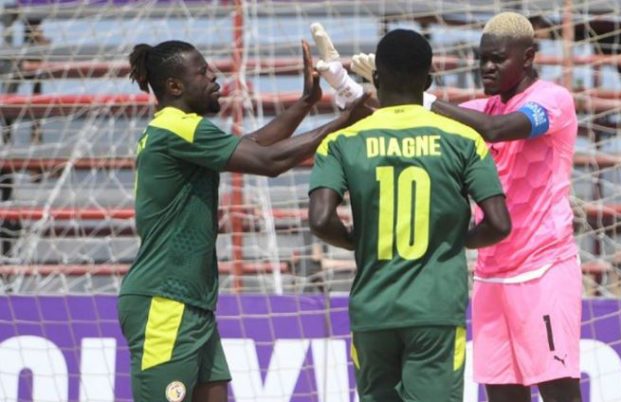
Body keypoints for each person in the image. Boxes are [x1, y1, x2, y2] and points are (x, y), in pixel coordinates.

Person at [313, 12, 582, 402]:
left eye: (498, 59)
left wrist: (418, 92)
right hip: (490, 274)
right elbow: (397, 117)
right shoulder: (478, 109)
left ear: (528, 57)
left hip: (544, 268)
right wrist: (345, 85)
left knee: (559, 390)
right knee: (503, 393)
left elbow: (496, 130)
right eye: (483, 58)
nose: (487, 67)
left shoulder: (553, 100)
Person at [117, 39, 368, 402]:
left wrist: (305, 104)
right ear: (174, 86)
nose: (214, 76)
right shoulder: (178, 127)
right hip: (164, 302)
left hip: (193, 304)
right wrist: (345, 120)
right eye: (202, 71)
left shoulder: (178, 128)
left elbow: (254, 146)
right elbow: (269, 163)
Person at [308, 29, 511, 402]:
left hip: (372, 310)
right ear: (429, 80)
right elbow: (499, 223)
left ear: (377, 78)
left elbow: (320, 219)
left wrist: (353, 239)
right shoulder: (464, 139)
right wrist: (457, 237)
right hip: (435, 308)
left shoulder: (341, 142)